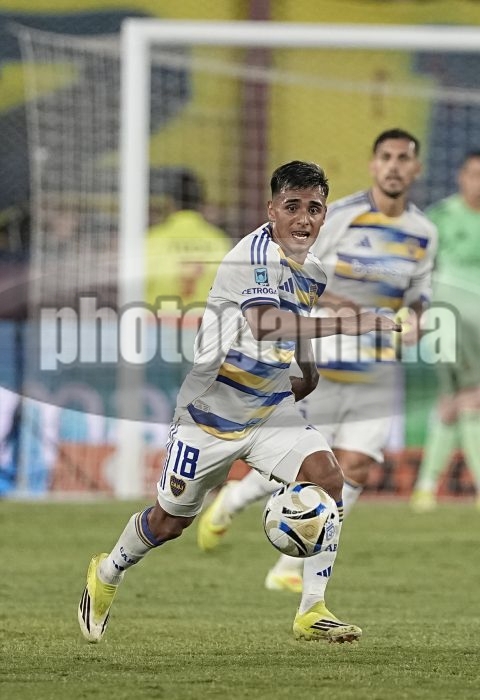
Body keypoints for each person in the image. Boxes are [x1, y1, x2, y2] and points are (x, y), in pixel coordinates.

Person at [78, 160, 401, 644]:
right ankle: (108, 572)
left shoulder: (311, 270)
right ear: (272, 209)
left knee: (329, 479)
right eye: (292, 206)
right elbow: (268, 323)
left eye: (314, 209)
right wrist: (353, 324)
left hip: (270, 408)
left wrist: (308, 370)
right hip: (209, 415)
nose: (303, 218)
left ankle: (312, 610)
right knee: (169, 522)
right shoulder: (252, 257)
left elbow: (299, 317)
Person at [197, 129, 438, 593]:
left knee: (355, 469)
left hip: (378, 370)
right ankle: (234, 499)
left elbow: (419, 293)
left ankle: (289, 568)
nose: (394, 166)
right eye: (386, 157)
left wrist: (417, 320)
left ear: (416, 168)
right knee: (302, 464)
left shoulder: (424, 232)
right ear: (373, 164)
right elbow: (300, 275)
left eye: (403, 158)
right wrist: (352, 313)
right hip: (324, 363)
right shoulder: (340, 216)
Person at [410, 151, 480, 511]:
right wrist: (416, 314)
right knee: (471, 399)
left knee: (452, 401)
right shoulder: (440, 217)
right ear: (460, 176)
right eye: (473, 174)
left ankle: (425, 488)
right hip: (448, 319)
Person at [146, 169, 231, 308]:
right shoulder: (219, 241)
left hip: (160, 318)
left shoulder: (153, 239)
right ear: (201, 202)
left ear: (169, 202)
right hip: (205, 318)